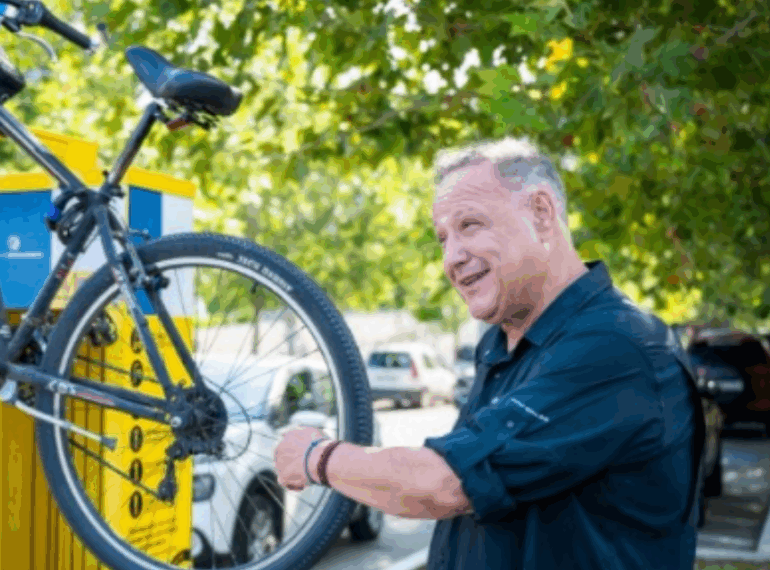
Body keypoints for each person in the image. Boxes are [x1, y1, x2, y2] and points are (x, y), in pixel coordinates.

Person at [274, 137, 706, 569]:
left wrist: (318, 457)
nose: (452, 258)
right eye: (442, 238)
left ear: (541, 214)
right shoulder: (501, 345)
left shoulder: (617, 346)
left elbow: (446, 483)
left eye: (470, 226)